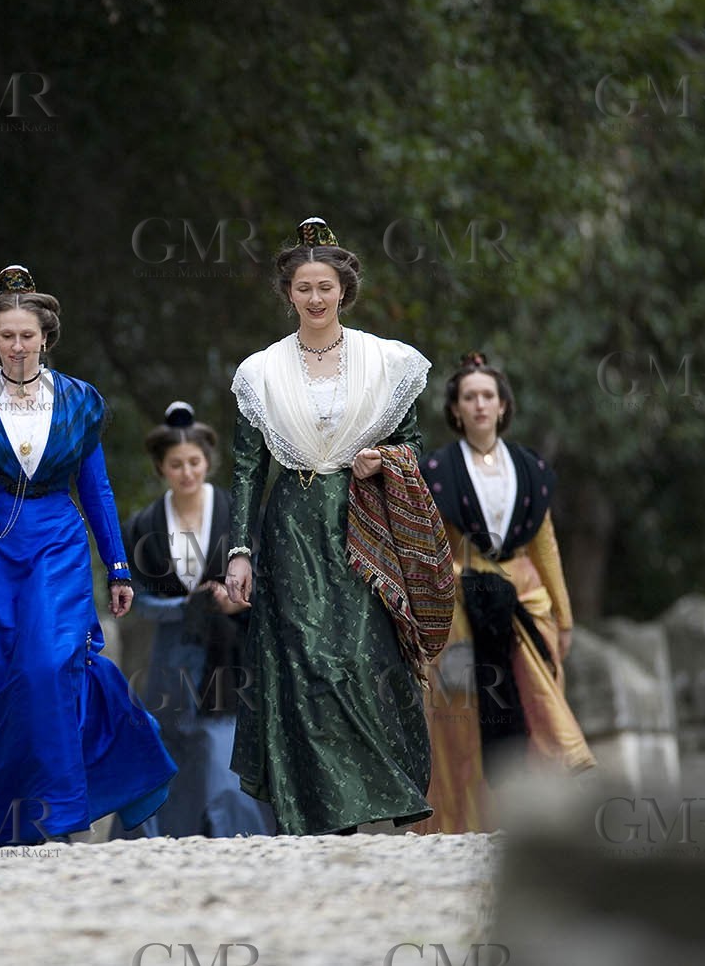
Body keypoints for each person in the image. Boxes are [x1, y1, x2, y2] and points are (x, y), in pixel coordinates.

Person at [0, 265, 176, 850]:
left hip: (59, 542)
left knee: (48, 664)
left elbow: (97, 489)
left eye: (28, 335)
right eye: (7, 336)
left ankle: (60, 813)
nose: (18, 346)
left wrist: (118, 565)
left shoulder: (80, 401)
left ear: (46, 338)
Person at [224, 217, 452, 836]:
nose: (316, 298)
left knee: (363, 655)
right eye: (304, 289)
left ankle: (385, 791)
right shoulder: (261, 372)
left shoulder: (386, 361)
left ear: (343, 291)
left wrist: (385, 463)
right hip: (292, 525)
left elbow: (412, 448)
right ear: (289, 294)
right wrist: (239, 552)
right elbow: (247, 469)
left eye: (325, 287)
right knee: (303, 660)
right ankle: (323, 810)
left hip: (362, 522)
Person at [414, 353, 595, 833]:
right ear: (455, 409)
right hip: (461, 607)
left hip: (523, 605)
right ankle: (462, 824)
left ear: (502, 405)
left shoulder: (529, 467)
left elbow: (545, 544)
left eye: (487, 396)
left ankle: (535, 825)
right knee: (461, 714)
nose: (478, 405)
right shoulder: (437, 469)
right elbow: (430, 547)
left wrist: (564, 615)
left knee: (537, 707)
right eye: (468, 397)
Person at [121, 401, 276, 838]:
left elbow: (268, 578)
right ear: (161, 468)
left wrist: (236, 598)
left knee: (223, 752)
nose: (187, 472)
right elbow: (138, 599)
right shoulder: (142, 525)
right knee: (170, 747)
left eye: (194, 462)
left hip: (229, 655)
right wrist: (186, 607)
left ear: (208, 462)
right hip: (172, 656)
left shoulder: (237, 514)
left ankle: (242, 839)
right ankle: (164, 840)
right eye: (176, 464)